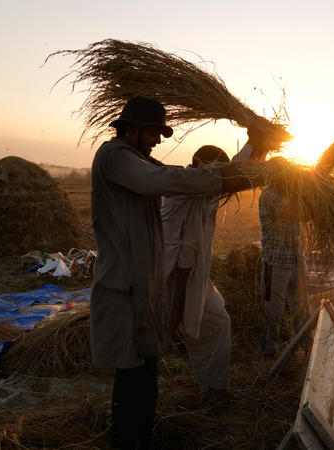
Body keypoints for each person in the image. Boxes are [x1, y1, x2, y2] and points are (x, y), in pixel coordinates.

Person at [89, 96, 266, 449]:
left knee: (145, 371)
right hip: (125, 284)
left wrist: (256, 146)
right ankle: (128, 439)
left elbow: (217, 174)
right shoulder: (116, 158)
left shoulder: (139, 160)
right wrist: (250, 171)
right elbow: (169, 179)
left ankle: (140, 433)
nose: (158, 140)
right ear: (133, 129)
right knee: (135, 373)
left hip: (146, 282)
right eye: (154, 131)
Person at [159, 129, 273, 401]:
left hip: (196, 275)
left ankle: (214, 388)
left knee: (217, 321)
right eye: (217, 170)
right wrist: (255, 144)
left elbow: (234, 171)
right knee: (158, 330)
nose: (222, 174)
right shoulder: (183, 183)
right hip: (168, 274)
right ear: (203, 167)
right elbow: (229, 174)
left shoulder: (208, 187)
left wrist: (259, 147)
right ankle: (142, 391)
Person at [258, 175, 314, 358]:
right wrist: (312, 194)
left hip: (296, 261)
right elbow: (291, 210)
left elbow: (305, 216)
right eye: (286, 173)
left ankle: (307, 348)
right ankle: (269, 352)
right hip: (276, 263)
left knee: (302, 306)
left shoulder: (290, 195)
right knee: (273, 310)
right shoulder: (269, 196)